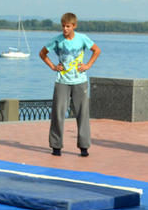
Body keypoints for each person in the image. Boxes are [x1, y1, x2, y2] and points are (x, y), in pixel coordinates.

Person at [38, 12, 101, 157]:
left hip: (80, 81)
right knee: (58, 114)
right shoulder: (57, 40)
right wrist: (53, 67)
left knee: (82, 114)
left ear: (74, 26)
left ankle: (84, 147)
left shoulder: (82, 38)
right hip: (62, 82)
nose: (65, 29)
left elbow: (97, 50)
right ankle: (56, 146)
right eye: (63, 26)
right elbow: (42, 53)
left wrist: (88, 65)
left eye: (68, 26)